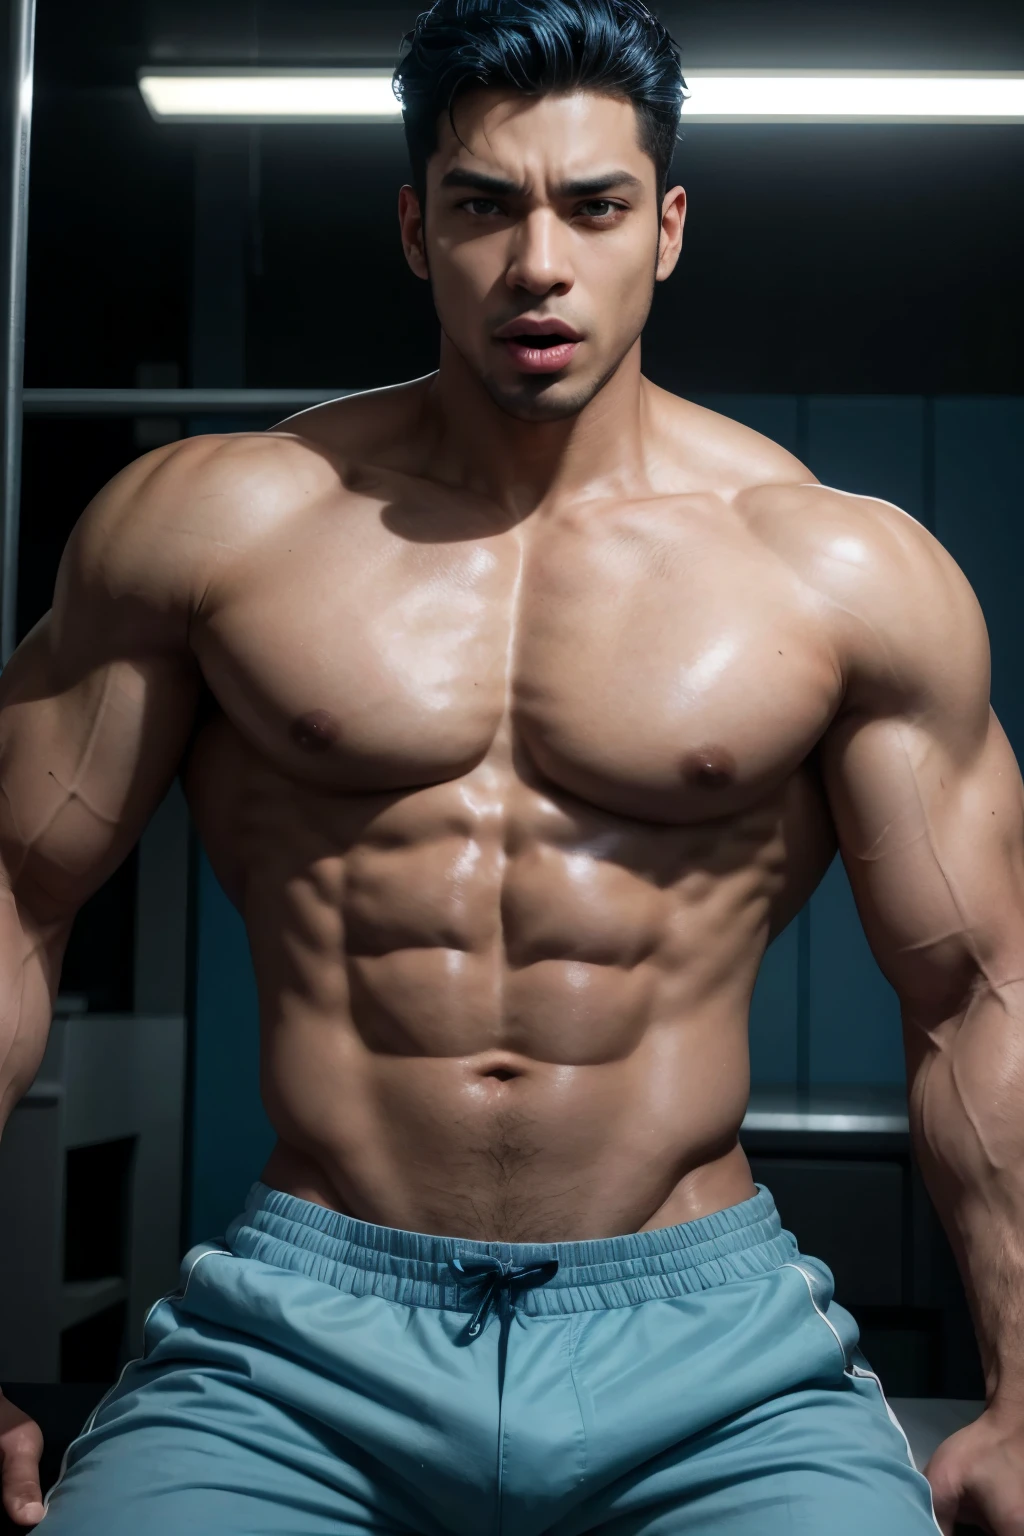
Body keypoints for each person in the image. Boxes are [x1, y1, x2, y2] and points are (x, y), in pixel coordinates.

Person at [1, 0, 1022, 1530]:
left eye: (595, 207)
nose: (539, 262)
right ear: (416, 229)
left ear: (666, 228)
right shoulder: (216, 530)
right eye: (486, 206)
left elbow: (979, 991)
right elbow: (12, 904)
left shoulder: (837, 572)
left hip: (714, 1348)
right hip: (297, 1339)